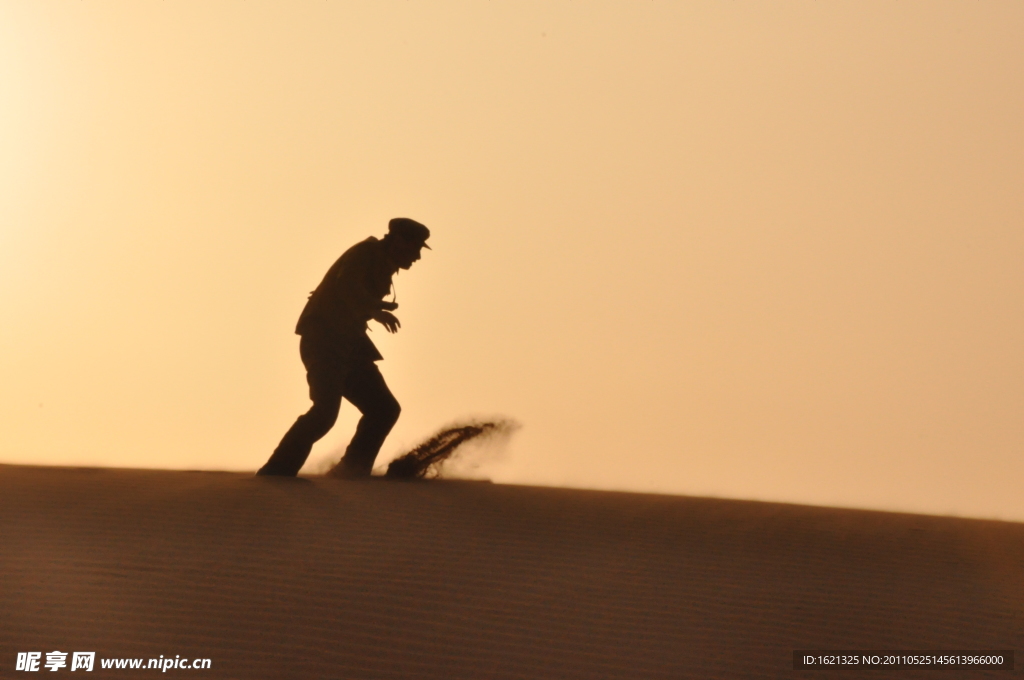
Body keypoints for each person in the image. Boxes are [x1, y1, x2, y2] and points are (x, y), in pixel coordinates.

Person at [256, 217, 430, 478]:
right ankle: (276, 473)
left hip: (349, 345)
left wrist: (374, 308)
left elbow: (351, 294)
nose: (417, 256)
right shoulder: (365, 253)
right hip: (324, 341)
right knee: (325, 412)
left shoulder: (381, 261)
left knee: (384, 409)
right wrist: (374, 309)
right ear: (399, 241)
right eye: (415, 248)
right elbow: (345, 287)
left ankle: (352, 472)